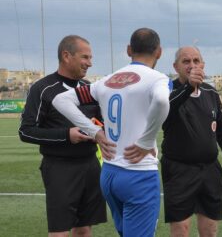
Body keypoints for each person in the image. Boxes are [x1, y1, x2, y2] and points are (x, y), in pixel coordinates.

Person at [52, 28, 170, 237]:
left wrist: (95, 132)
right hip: (139, 174)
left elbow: (61, 100)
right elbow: (161, 101)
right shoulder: (157, 78)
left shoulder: (106, 80)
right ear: (159, 52)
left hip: (109, 174)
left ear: (128, 50)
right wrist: (146, 141)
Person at [18, 35, 107, 236]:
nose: (90, 63)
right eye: (85, 57)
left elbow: (102, 121)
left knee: (84, 230)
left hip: (91, 165)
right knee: (60, 232)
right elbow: (26, 130)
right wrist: (66, 135)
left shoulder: (89, 88)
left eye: (90, 58)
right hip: (60, 167)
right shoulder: (42, 89)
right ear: (66, 56)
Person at [161, 46, 222, 237]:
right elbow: (166, 112)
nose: (192, 65)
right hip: (178, 170)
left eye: (196, 61)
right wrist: (189, 86)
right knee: (181, 229)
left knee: (210, 230)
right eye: (186, 61)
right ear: (175, 66)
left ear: (203, 65)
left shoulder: (210, 92)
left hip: (209, 170)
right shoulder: (167, 90)